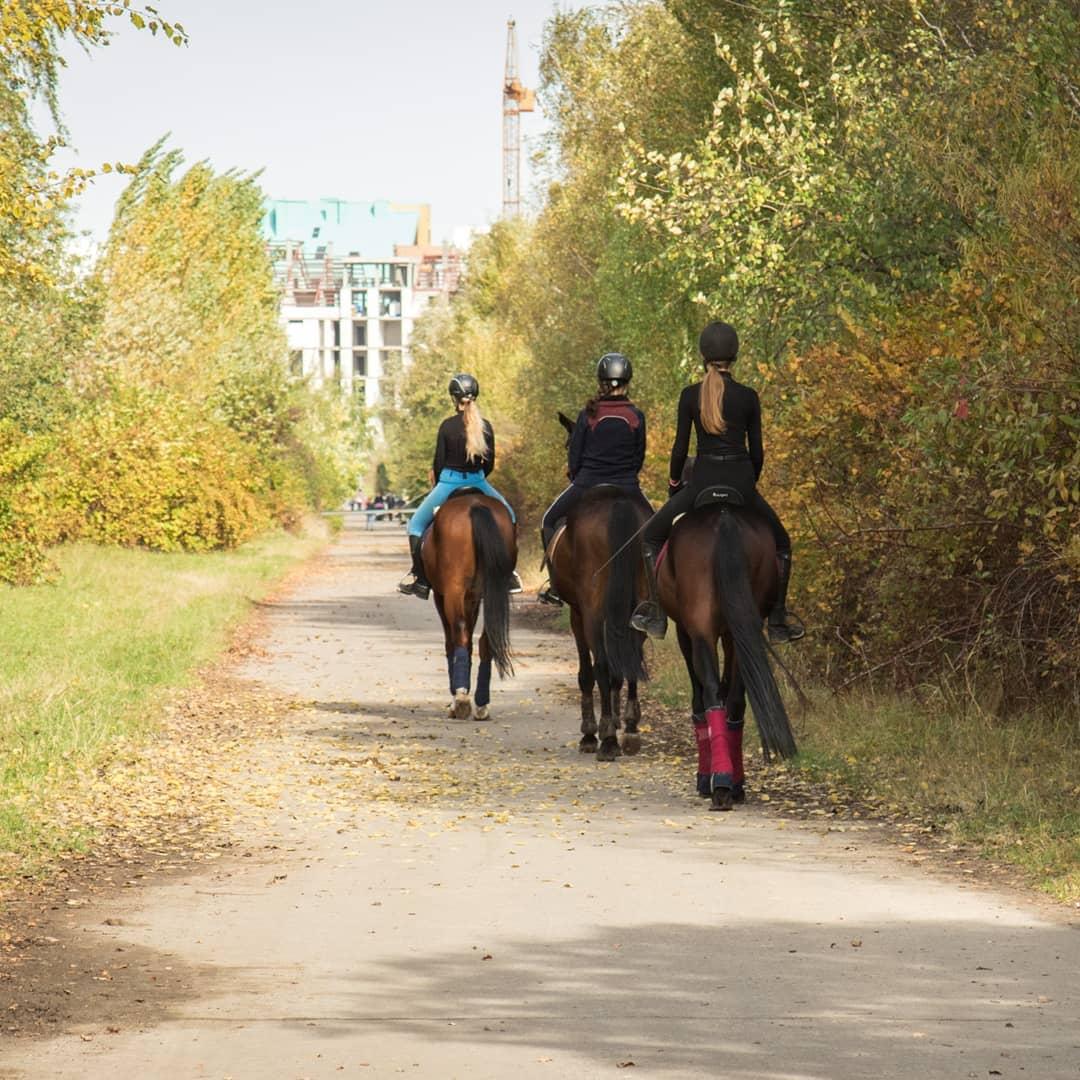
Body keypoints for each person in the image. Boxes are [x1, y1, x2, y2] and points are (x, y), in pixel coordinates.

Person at [629, 322, 804, 643]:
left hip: (701, 484)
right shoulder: (749, 397)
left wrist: (673, 482)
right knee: (782, 544)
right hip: (742, 485)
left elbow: (680, 449)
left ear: (703, 356)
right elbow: (758, 452)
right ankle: (778, 618)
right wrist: (748, 484)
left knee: (652, 536)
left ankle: (655, 611)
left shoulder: (689, 396)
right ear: (734, 356)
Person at [537, 353, 652, 606]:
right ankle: (653, 593)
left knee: (548, 520)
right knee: (656, 530)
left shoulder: (586, 415)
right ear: (627, 382)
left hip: (587, 483)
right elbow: (638, 457)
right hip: (627, 486)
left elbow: (575, 458)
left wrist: (580, 479)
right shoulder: (636, 416)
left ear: (600, 382)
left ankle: (556, 586)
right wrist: (626, 477)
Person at [398, 373, 522, 599]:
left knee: (415, 526)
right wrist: (477, 478)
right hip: (479, 481)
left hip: (447, 482)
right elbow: (490, 463)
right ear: (475, 397)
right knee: (510, 517)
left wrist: (442, 480)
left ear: (453, 398)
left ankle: (421, 578)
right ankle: (509, 573)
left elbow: (438, 461)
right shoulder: (485, 426)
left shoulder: (446, 426)